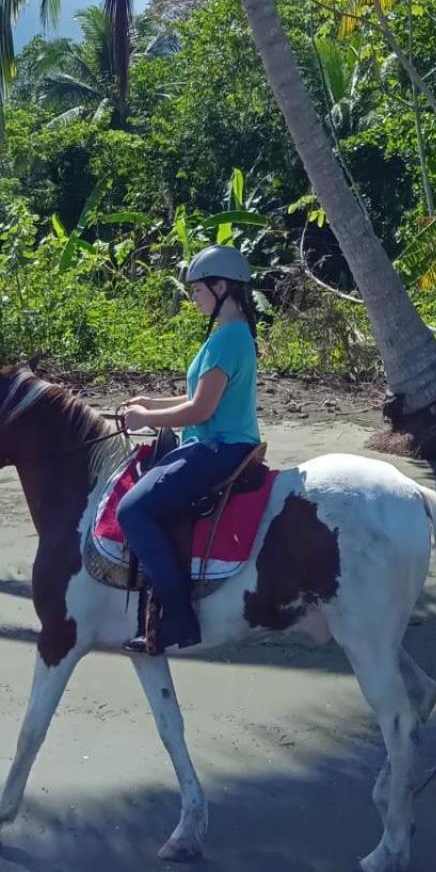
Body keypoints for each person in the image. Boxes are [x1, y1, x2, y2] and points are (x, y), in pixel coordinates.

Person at [116, 246, 261, 654]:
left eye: (198, 289)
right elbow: (195, 396)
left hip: (219, 448)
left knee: (132, 510)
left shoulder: (227, 340)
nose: (193, 297)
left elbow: (201, 409)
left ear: (221, 286)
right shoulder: (233, 335)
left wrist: (146, 421)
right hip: (219, 442)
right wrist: (151, 403)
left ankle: (179, 616)